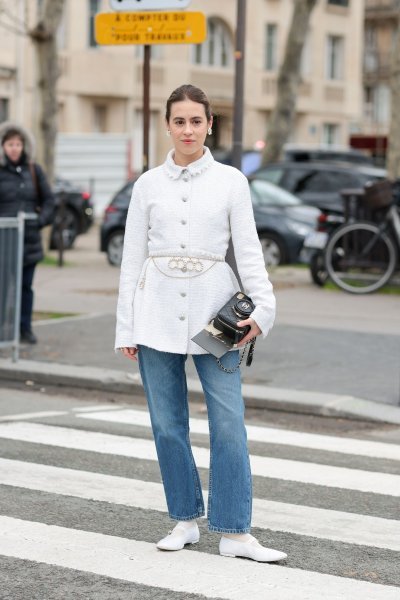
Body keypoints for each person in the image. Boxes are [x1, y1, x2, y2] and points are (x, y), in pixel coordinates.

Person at [115, 84, 287, 563]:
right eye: (179, 121)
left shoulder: (233, 181)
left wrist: (264, 309)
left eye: (196, 120)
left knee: (228, 422)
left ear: (210, 124)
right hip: (154, 314)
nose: (187, 129)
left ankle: (235, 533)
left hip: (218, 316)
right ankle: (185, 520)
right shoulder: (147, 184)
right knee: (167, 424)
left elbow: (249, 251)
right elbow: (131, 260)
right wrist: (125, 328)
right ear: (167, 126)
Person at [0, 122, 55, 344]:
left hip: (29, 241)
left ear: (24, 147)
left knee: (25, 287)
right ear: (3, 146)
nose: (14, 148)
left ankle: (24, 328)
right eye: (10, 144)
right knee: (3, 287)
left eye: (18, 144)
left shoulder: (34, 170)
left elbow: (49, 200)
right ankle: (4, 331)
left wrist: (40, 222)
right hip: (4, 241)